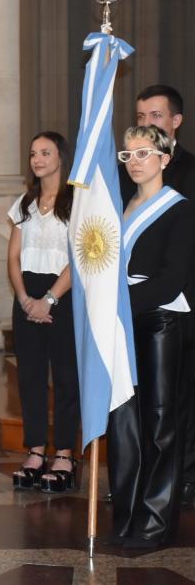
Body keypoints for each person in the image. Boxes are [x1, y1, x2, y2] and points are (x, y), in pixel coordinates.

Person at [108, 125, 195, 549]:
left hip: (160, 322)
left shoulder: (180, 210)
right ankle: (127, 517)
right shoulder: (119, 208)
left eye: (144, 153)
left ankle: (156, 523)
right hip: (121, 323)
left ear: (165, 159)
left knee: (161, 425)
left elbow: (172, 280)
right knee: (124, 421)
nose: (135, 162)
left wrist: (119, 304)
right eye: (128, 155)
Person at [6, 132, 79, 493]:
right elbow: (13, 256)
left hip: (63, 295)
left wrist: (49, 299)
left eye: (45, 153)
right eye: (33, 153)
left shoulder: (78, 202)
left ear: (61, 157)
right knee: (30, 377)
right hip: (27, 295)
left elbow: (79, 257)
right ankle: (35, 450)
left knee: (66, 377)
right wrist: (24, 298)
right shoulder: (25, 202)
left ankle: (64, 454)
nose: (37, 159)